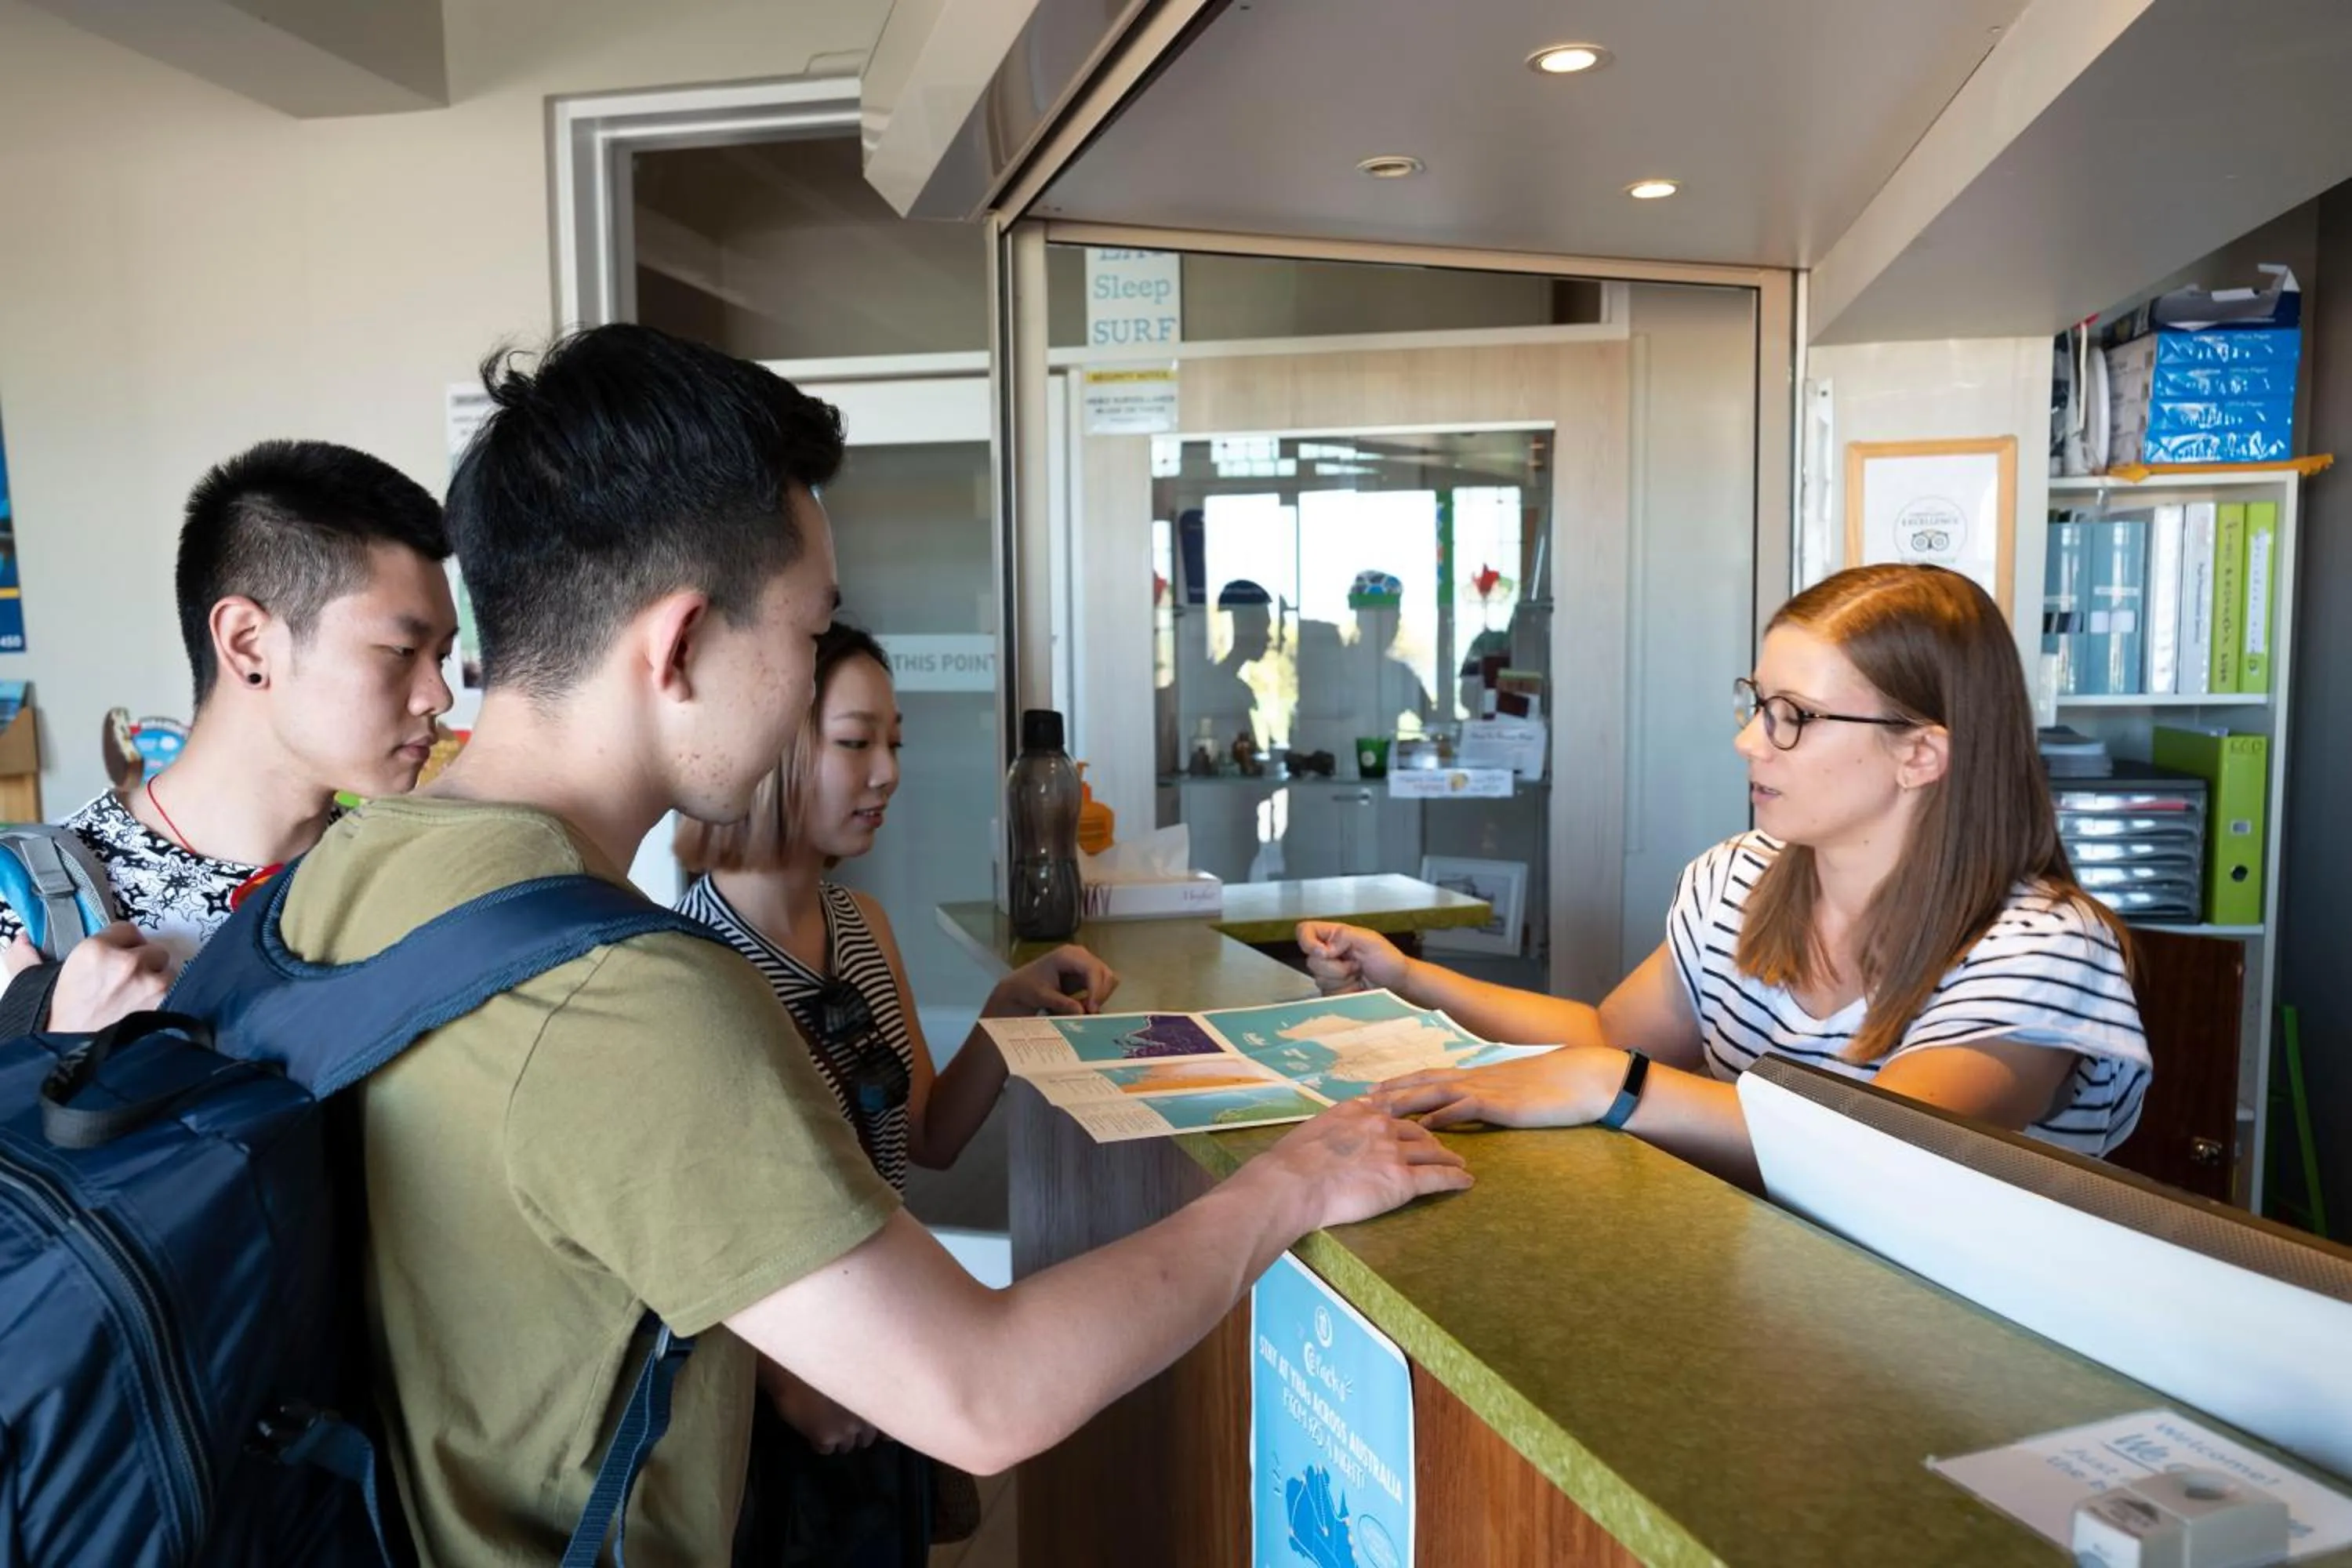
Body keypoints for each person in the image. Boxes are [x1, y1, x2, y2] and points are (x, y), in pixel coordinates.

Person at [266, 322, 1468, 1566]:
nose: (803, 693)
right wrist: (1296, 1181)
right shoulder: (622, 998)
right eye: (802, 633)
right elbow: (983, 1392)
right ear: (678, 644)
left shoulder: (343, 876)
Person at [1301, 564, 2150, 1189]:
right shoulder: (1737, 879)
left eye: (1795, 718)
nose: (1750, 742)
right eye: (1757, 704)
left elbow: (1885, 1147)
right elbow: (1606, 1035)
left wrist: (1615, 1088)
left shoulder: (2045, 948)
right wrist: (1408, 976)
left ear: (1921, 753)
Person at [673, 619, 1115, 1559]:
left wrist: (1009, 1007)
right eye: (856, 740)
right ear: (773, 741)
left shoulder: (860, 921)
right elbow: (685, 1238)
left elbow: (925, 1135)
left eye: (896, 743)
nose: (888, 772)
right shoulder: (692, 962)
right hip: (787, 1393)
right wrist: (779, 1379)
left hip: (885, 1350)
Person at [0, 440, 456, 1034]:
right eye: (402, 651)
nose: (437, 696)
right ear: (248, 644)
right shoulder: (25, 903)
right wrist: (52, 1045)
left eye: (441, 658)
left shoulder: (407, 885)